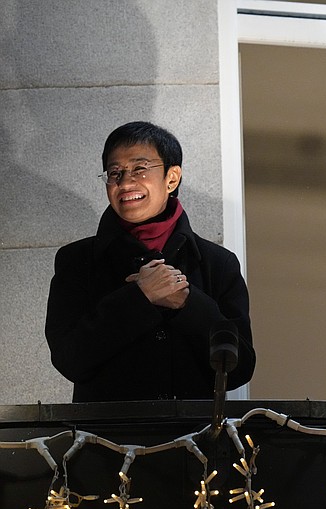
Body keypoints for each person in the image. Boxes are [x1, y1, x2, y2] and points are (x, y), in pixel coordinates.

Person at [46, 121, 256, 402]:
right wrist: (138, 298)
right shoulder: (77, 260)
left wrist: (187, 303)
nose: (125, 182)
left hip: (195, 440)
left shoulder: (218, 263)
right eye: (114, 173)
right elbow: (70, 359)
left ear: (172, 178)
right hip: (105, 440)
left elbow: (240, 369)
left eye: (140, 169)